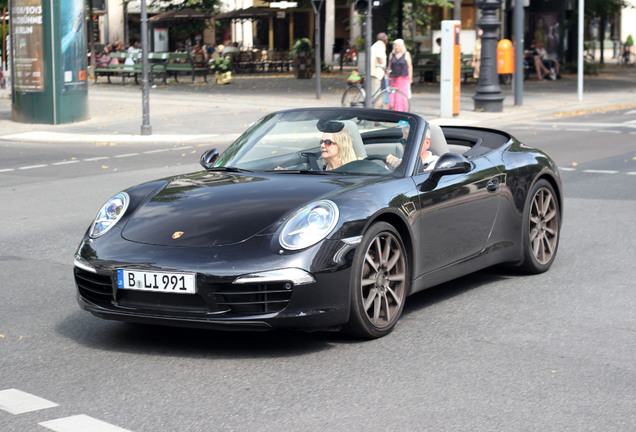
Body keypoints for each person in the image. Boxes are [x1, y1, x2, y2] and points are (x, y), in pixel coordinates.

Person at [387, 39, 412, 112]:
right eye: (395, 45)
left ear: (402, 46)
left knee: (401, 96)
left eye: (398, 45)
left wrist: (410, 78)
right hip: (394, 78)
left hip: (403, 79)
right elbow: (389, 66)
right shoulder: (392, 54)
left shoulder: (406, 54)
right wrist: (388, 76)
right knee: (393, 96)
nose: (396, 47)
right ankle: (393, 113)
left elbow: (409, 66)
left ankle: (402, 113)